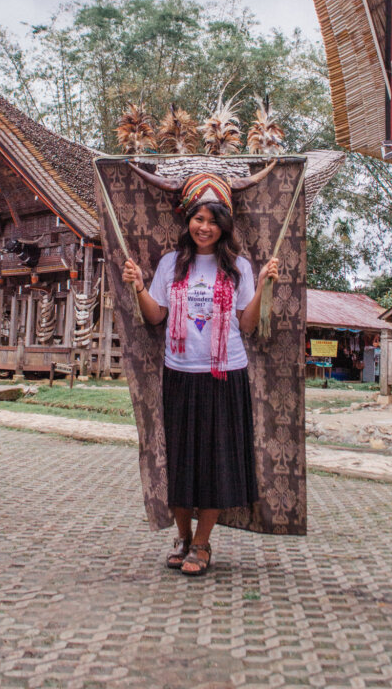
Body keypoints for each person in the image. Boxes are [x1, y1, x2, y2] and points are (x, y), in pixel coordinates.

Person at [122, 172, 278, 576]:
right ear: (187, 219)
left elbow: (246, 326)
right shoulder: (171, 264)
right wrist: (140, 285)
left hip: (225, 376)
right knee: (180, 461)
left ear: (224, 225)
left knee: (215, 460)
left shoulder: (238, 266)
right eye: (198, 218)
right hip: (179, 373)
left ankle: (203, 544)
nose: (204, 227)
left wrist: (261, 286)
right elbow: (155, 315)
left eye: (213, 220)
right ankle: (182, 537)